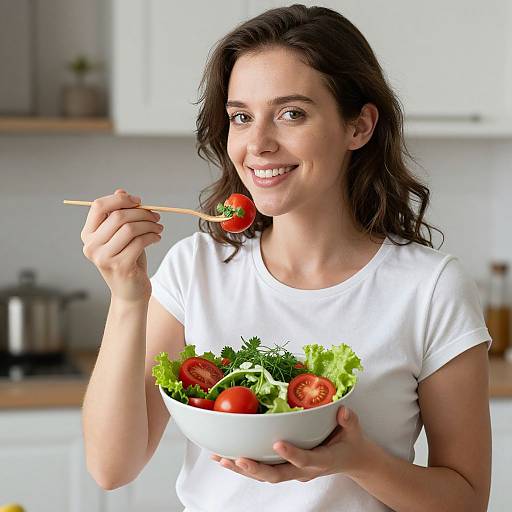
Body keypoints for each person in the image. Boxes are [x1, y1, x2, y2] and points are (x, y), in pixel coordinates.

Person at [80, 5, 492, 512]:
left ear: (358, 127)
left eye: (291, 113)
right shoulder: (195, 269)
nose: (258, 144)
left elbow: (467, 500)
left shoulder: (430, 288)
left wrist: (359, 460)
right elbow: (110, 467)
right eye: (241, 117)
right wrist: (126, 298)